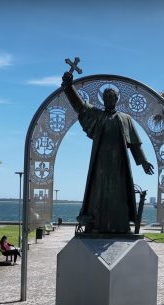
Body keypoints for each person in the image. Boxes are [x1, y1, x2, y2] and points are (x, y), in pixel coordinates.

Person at [62, 71, 154, 234]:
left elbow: (134, 143)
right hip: (101, 165)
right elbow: (80, 107)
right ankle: (95, 225)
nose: (110, 100)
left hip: (119, 166)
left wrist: (144, 162)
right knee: (99, 195)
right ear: (103, 100)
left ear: (117, 99)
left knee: (119, 196)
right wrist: (69, 88)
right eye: (107, 97)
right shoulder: (97, 115)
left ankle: (120, 226)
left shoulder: (125, 118)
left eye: (112, 97)